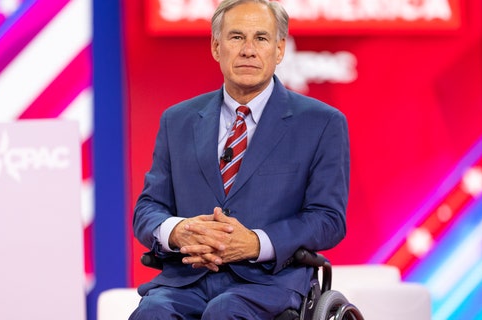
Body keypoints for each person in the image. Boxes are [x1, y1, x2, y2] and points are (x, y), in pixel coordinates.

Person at [130, 0, 350, 319]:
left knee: (226, 311)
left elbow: (329, 219)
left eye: (260, 38)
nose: (248, 50)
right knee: (153, 313)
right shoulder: (177, 120)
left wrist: (256, 243)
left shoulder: (322, 123)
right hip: (186, 282)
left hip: (269, 283)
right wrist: (178, 231)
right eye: (236, 37)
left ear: (279, 49)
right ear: (216, 47)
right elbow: (147, 209)